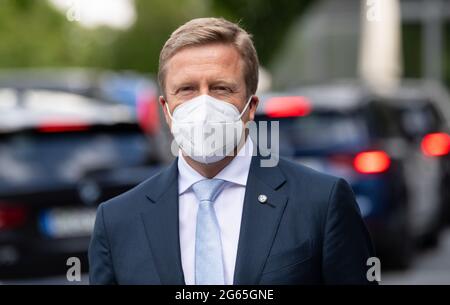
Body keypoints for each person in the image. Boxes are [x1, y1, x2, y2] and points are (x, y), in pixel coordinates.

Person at [89, 17, 376, 285]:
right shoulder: (118, 221)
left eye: (221, 88)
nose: (203, 105)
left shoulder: (321, 203)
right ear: (165, 109)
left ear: (250, 106)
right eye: (187, 89)